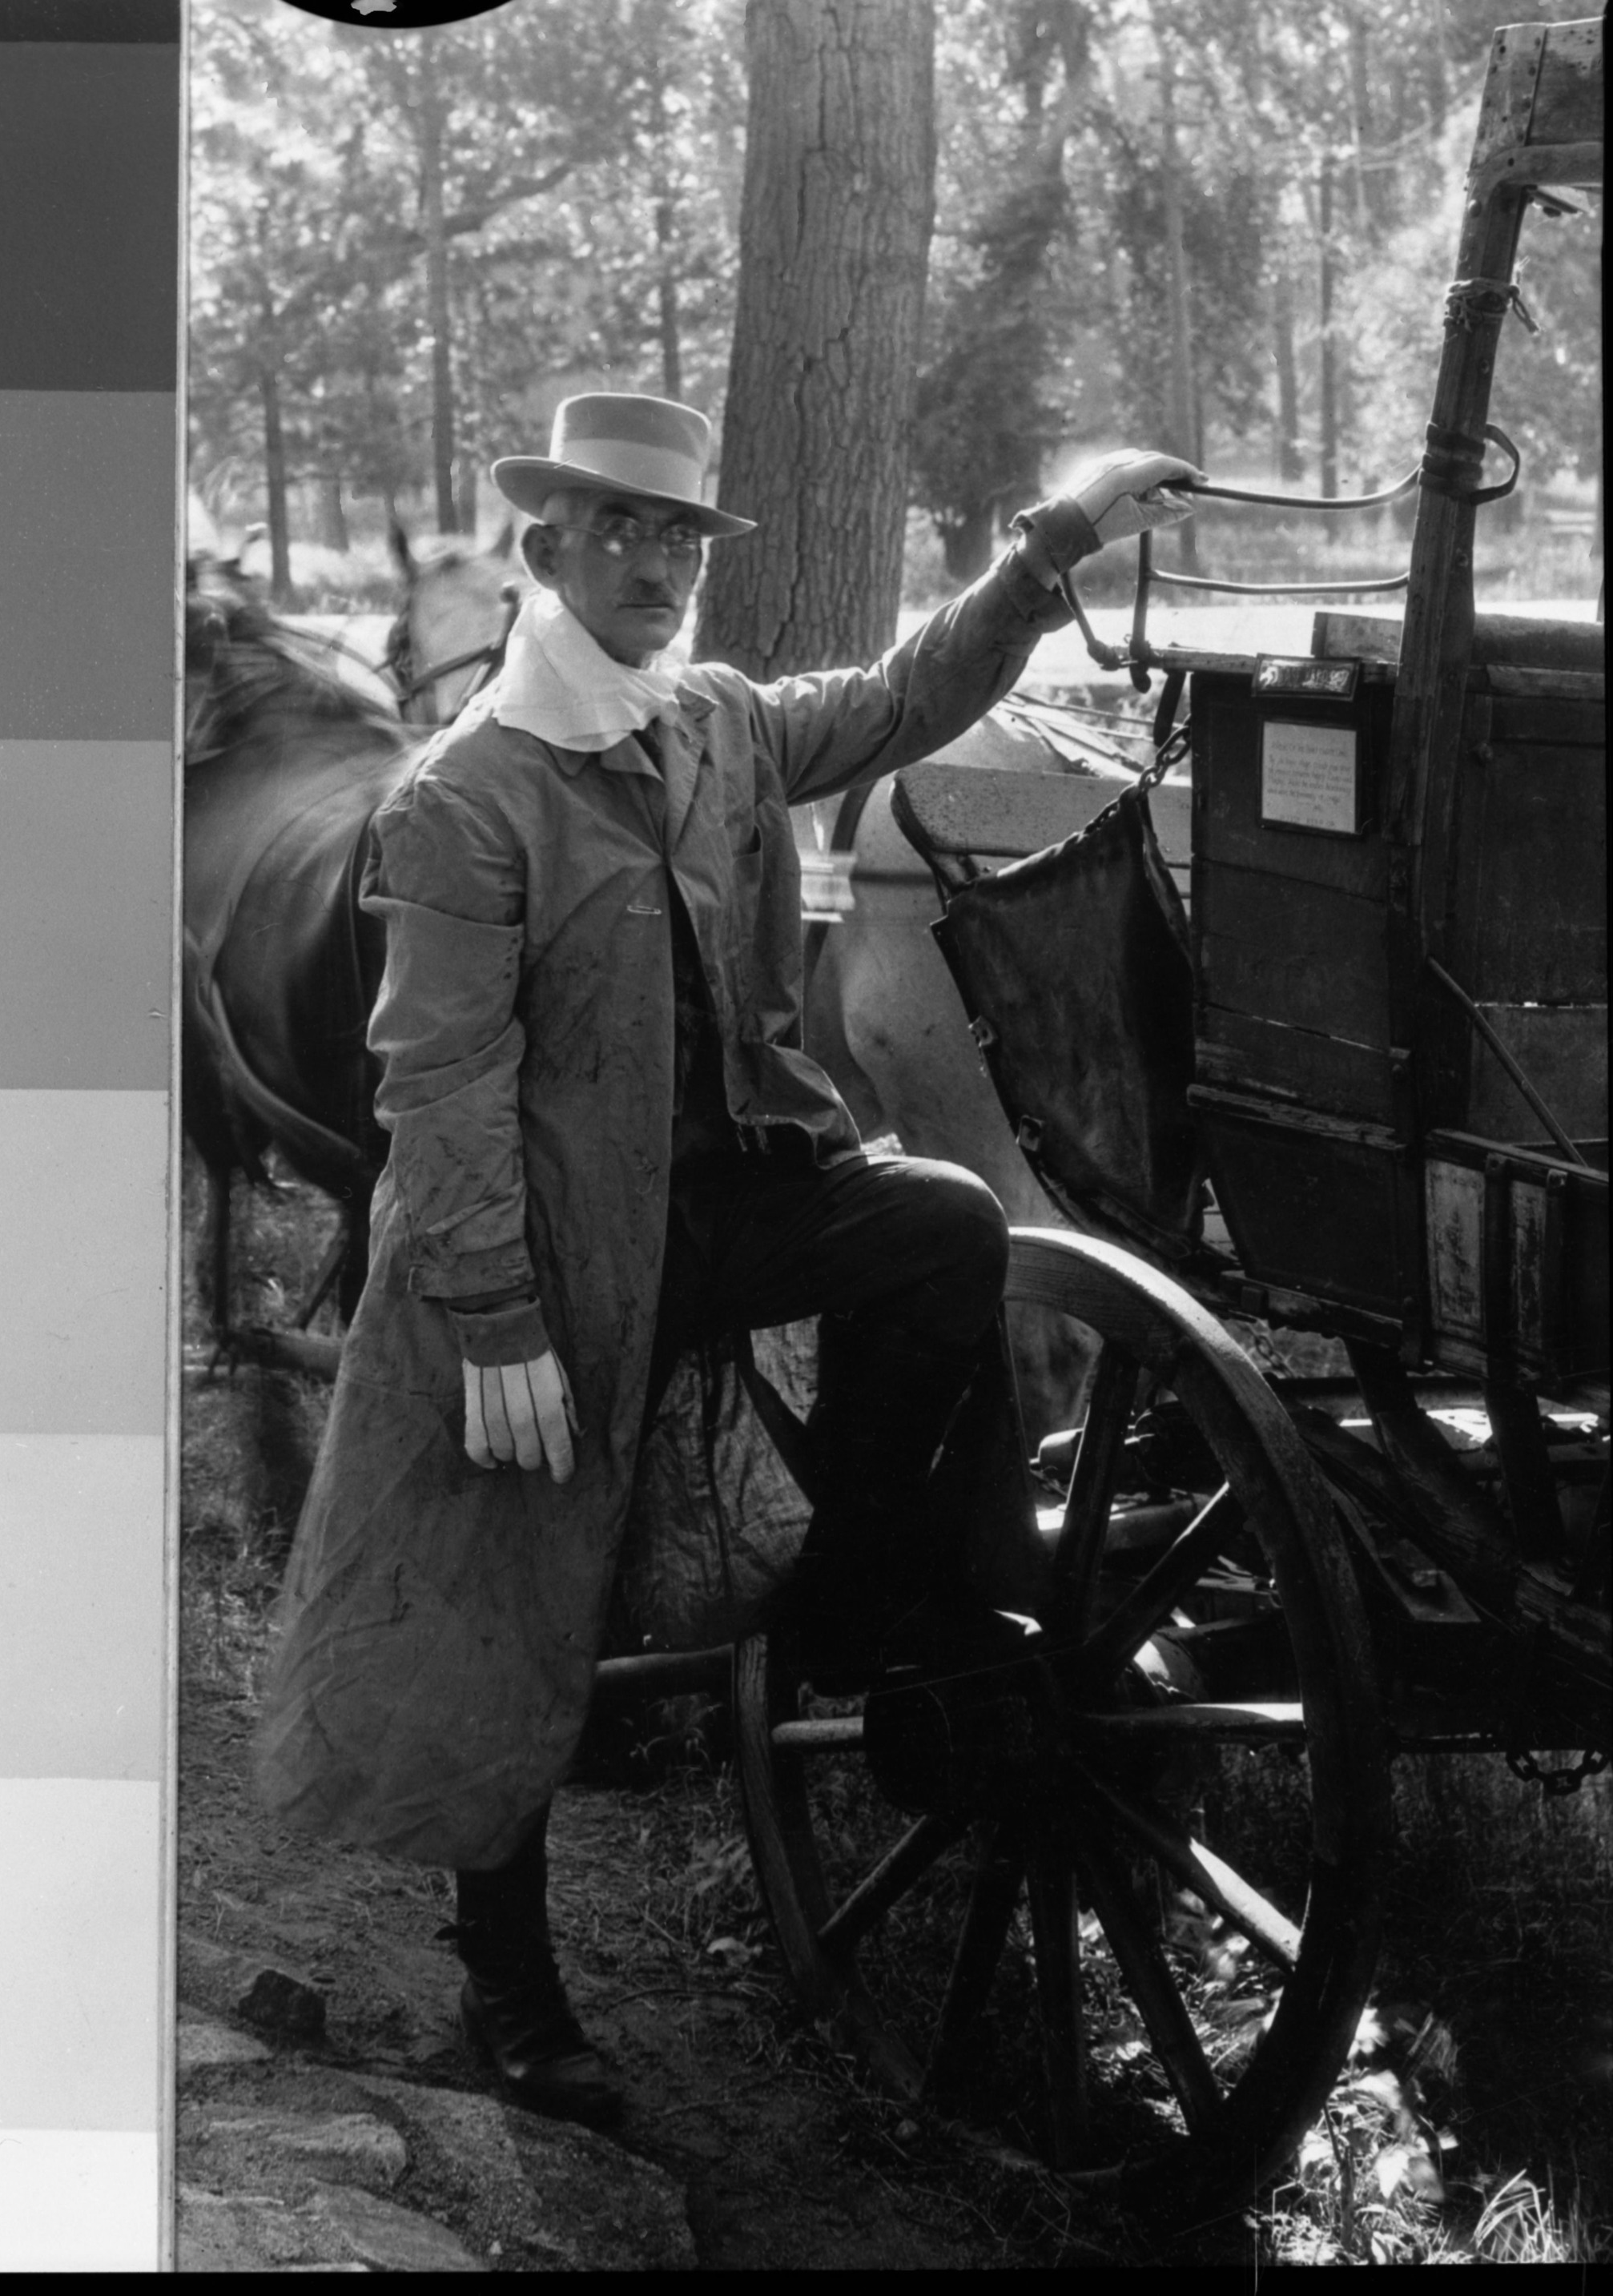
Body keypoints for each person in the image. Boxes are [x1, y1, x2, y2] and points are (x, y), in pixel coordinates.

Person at [255, 393, 1197, 2129]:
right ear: (542, 554)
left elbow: (909, 698)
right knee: (511, 1599)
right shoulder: (461, 802)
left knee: (939, 1223)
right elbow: (440, 1078)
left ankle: (849, 1586)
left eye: (680, 537)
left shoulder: (716, 728)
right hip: (535, 1260)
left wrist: (1051, 546)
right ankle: (514, 1998)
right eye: (619, 533)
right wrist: (490, 1315)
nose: (657, 568)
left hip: (724, 1205)